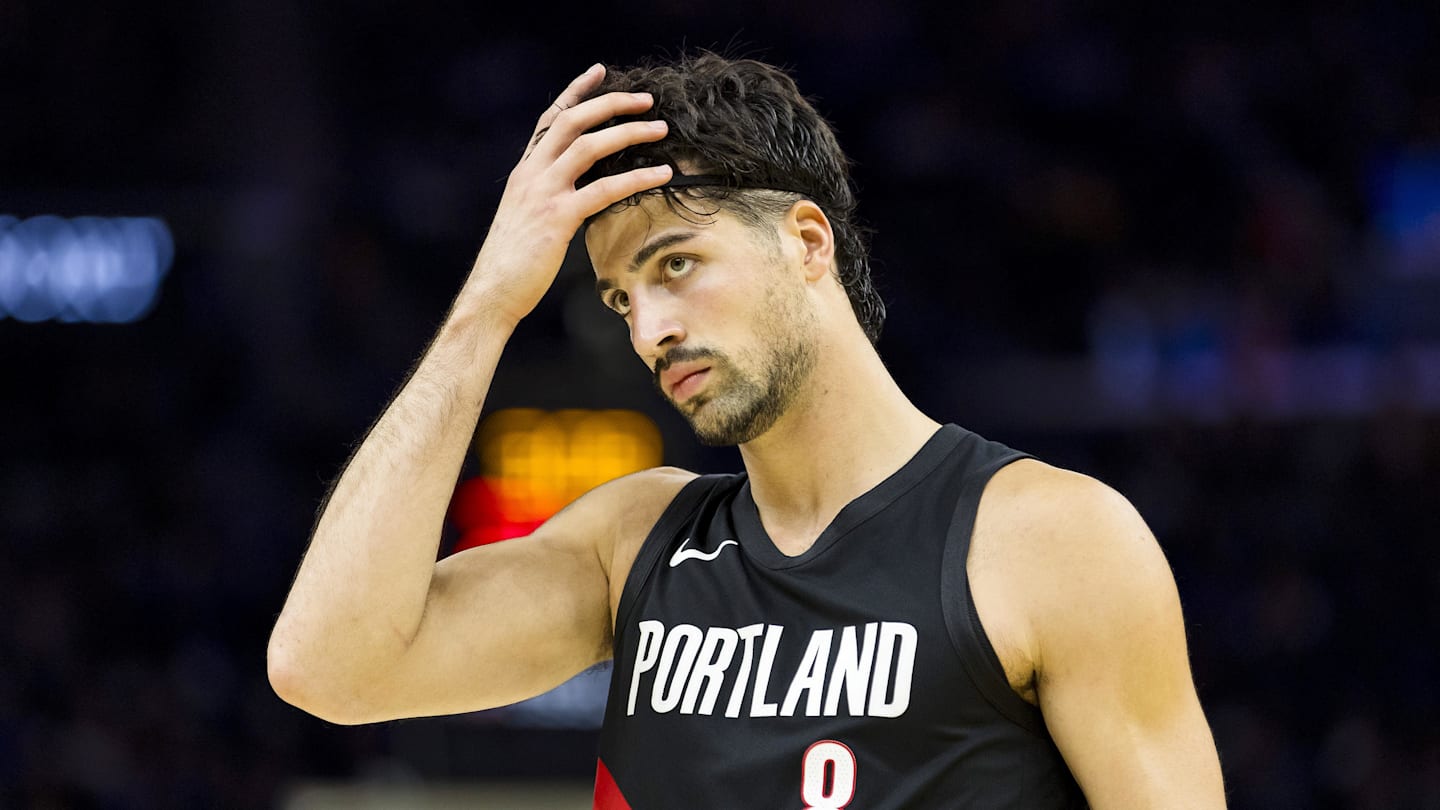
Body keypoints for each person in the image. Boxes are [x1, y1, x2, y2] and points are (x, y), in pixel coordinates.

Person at [268, 53, 1226, 808]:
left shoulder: (1054, 542)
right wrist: (486, 307)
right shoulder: (632, 543)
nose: (648, 330)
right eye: (619, 296)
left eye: (675, 264)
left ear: (806, 242)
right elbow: (326, 667)